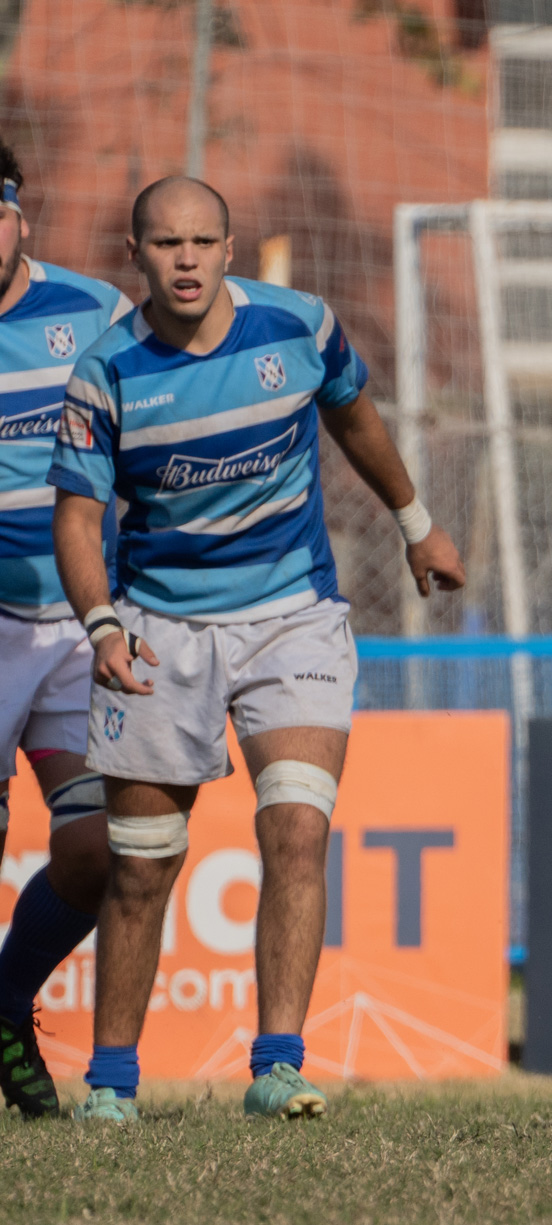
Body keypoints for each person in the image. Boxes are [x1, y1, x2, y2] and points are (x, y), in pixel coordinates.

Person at [47, 177, 466, 1123]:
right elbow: (77, 517)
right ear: (135, 253)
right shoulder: (107, 372)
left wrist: (416, 524)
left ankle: (277, 1066)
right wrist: (104, 625)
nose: (186, 259)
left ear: (231, 248)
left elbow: (354, 415)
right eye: (166, 244)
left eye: (203, 241)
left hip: (294, 615)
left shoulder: (301, 328)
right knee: (143, 863)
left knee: (296, 828)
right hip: (161, 626)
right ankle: (112, 1083)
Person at [0, 142, 133, 1118]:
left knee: (101, 849)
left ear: (21, 219)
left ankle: (5, 999)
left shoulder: (94, 315)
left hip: (80, 628)